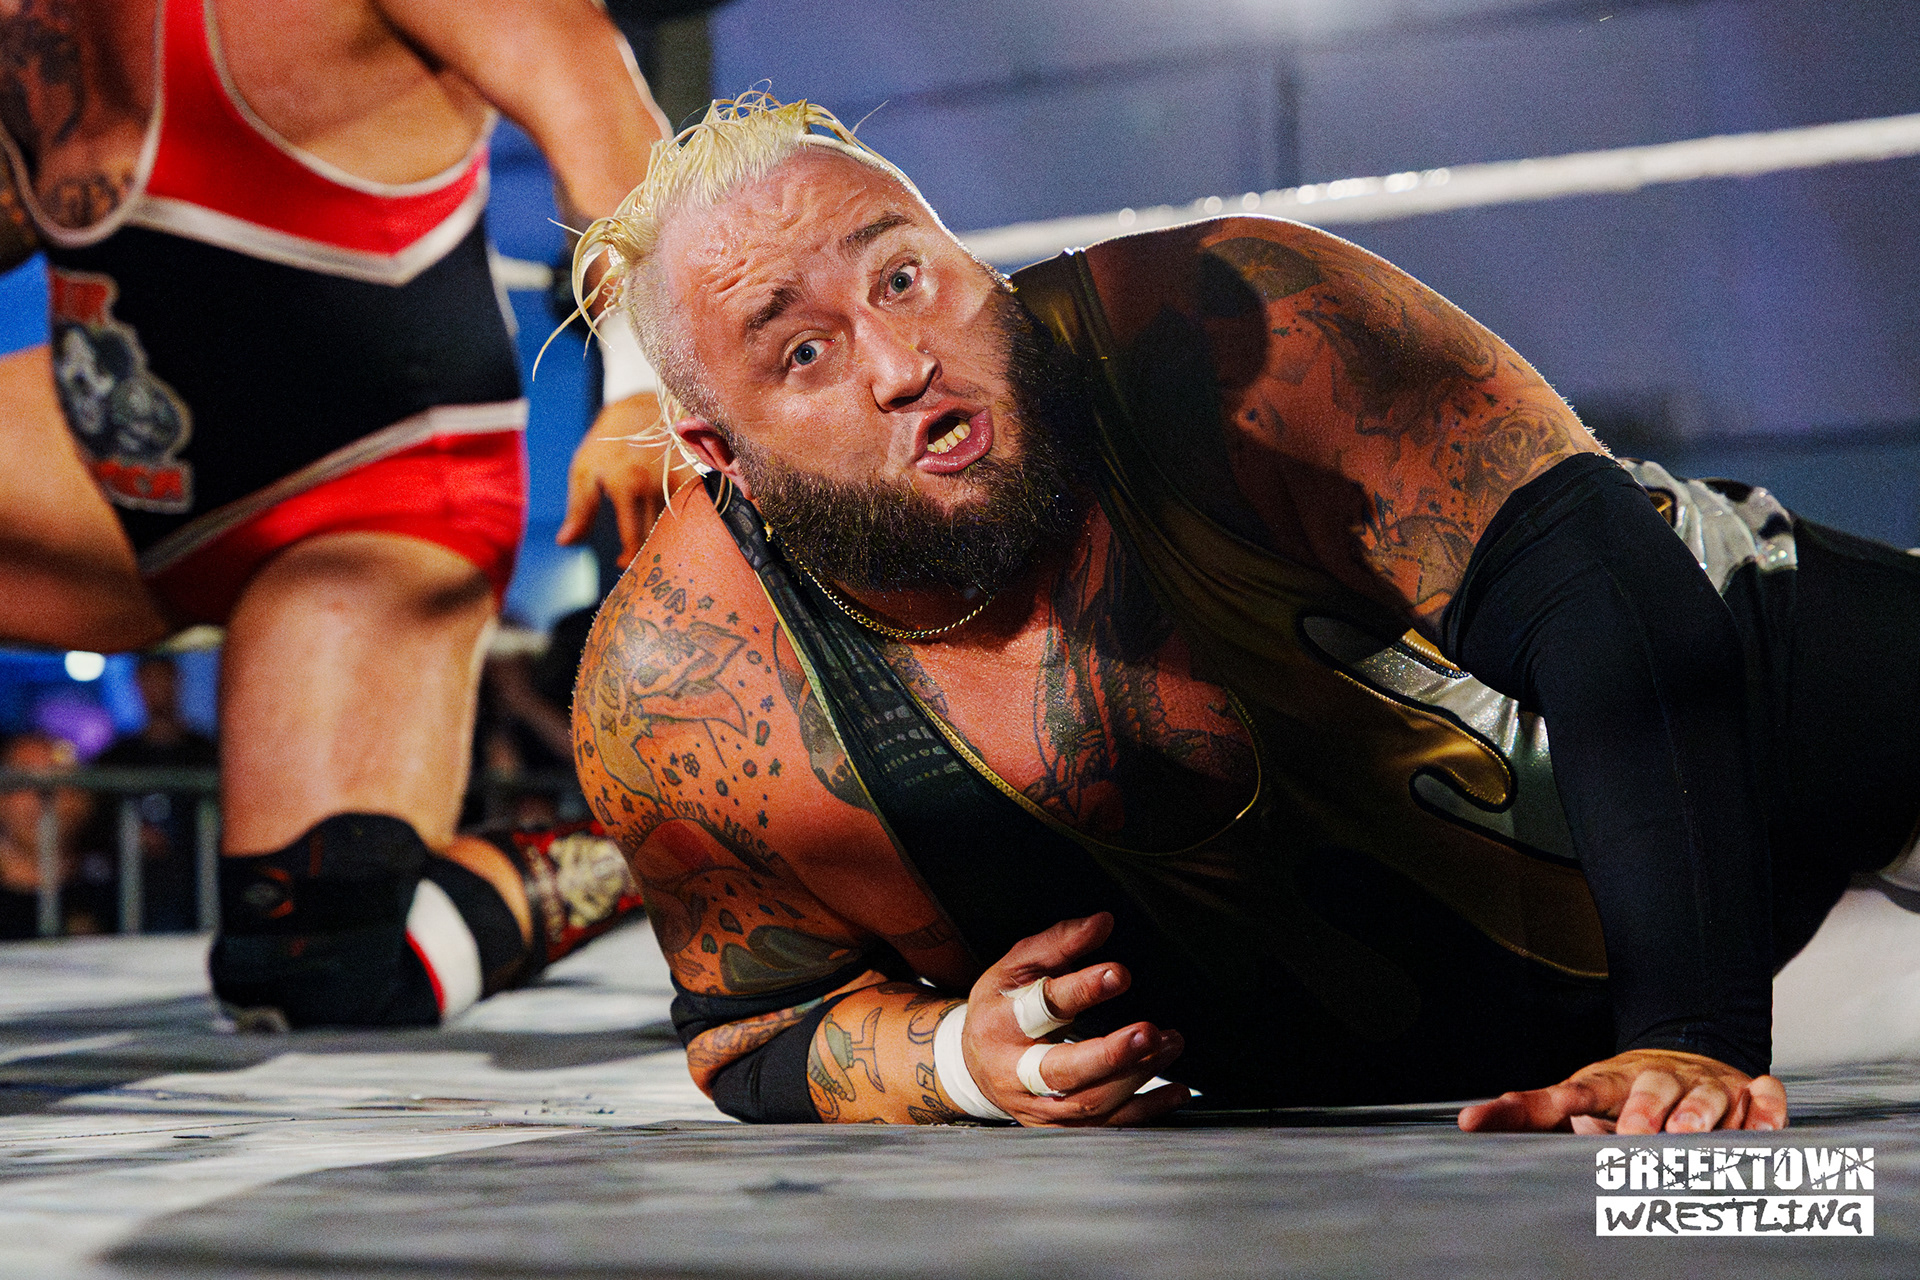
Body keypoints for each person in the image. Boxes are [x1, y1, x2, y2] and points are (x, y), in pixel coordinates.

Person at [571, 92, 1920, 1133]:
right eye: (803, 350)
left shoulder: (1227, 332)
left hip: (1766, 701)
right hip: (1465, 1066)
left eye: (903, 277)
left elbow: (1611, 606)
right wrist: (955, 1065)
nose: (902, 361)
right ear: (715, 452)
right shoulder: (683, 687)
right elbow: (755, 1031)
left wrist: (1691, 1037)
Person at [0, 0, 665, 1026]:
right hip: (111, 454)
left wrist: (643, 379)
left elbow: (601, 106)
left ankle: (671, 844)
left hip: (369, 500)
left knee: (317, 960)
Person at [86, 655, 216, 931]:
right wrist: (127, 832)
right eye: (149, 681)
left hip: (197, 886)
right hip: (132, 891)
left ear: (178, 682)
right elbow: (94, 818)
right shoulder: (114, 758)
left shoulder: (206, 752)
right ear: (137, 686)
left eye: (163, 680)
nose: (157, 689)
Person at [0, 732, 112, 938]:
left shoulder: (114, 891)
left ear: (84, 801)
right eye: (24, 780)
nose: (41, 796)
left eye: (58, 779)